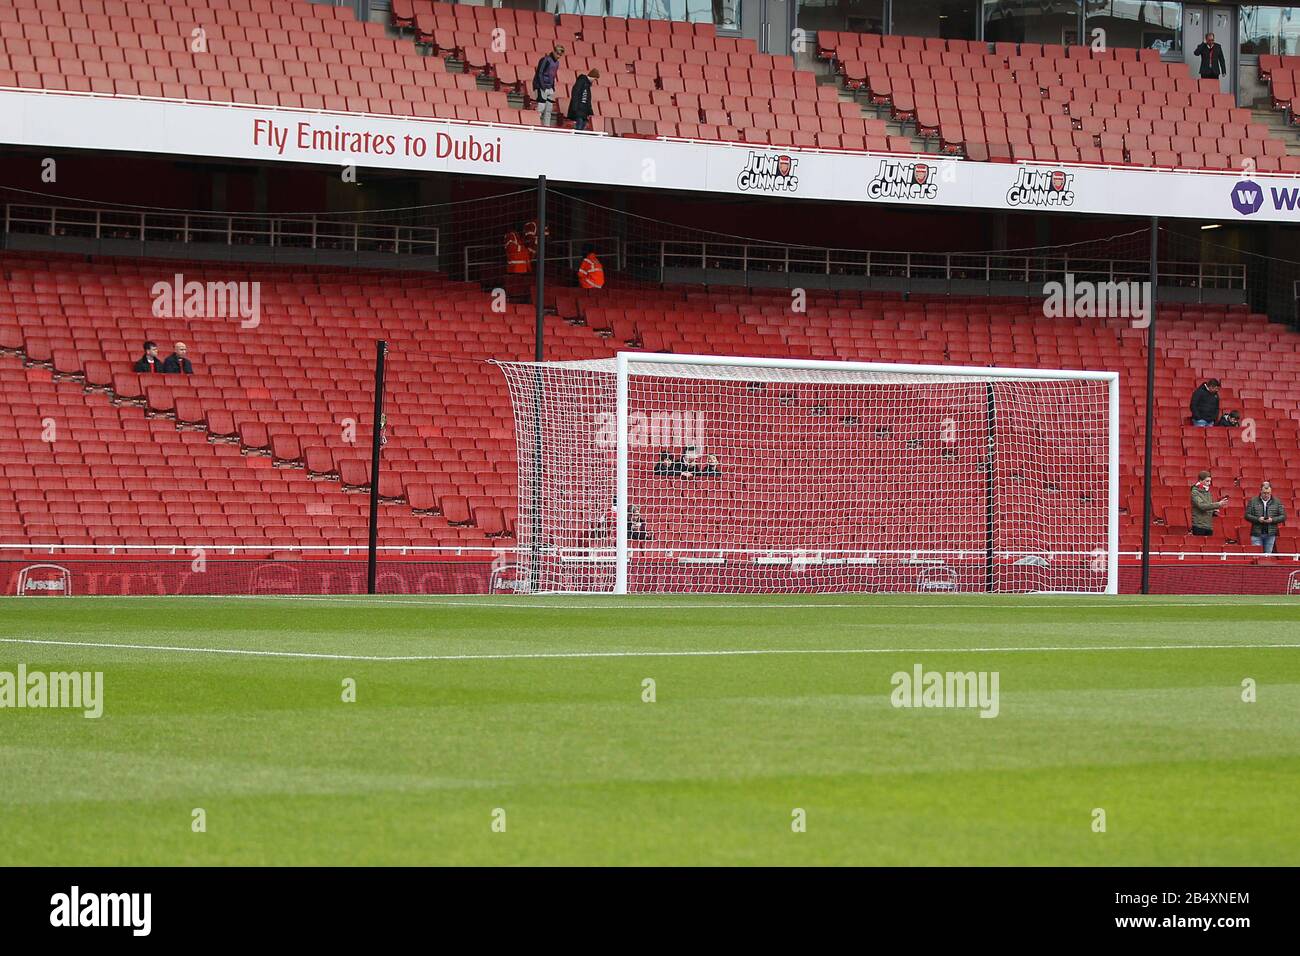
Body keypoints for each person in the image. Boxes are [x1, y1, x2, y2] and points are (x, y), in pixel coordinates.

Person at [1245, 481, 1286, 554]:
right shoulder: (1253, 501)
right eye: (1264, 493)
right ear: (1260, 491)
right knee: (1256, 556)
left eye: (1268, 493)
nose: (1266, 495)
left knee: (1268, 556)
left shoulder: (1277, 501)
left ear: (1271, 492)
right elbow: (1247, 515)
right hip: (1256, 533)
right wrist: (1258, 519)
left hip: (1270, 533)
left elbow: (1283, 516)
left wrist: (1272, 520)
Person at [1190, 470, 1230, 537]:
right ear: (1200, 480)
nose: (1209, 483)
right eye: (1207, 481)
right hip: (1199, 525)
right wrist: (1218, 504)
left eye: (1210, 481)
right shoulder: (1195, 492)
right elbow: (1202, 506)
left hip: (1208, 525)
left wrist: (1214, 510)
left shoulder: (1208, 492)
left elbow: (1208, 506)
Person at [533, 44, 564, 126]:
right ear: (554, 51)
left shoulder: (557, 63)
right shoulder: (545, 60)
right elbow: (539, 74)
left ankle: (547, 127)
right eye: (558, 54)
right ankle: (535, 125)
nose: (559, 56)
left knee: (549, 110)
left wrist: (552, 87)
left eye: (560, 55)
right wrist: (543, 87)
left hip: (550, 87)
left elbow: (553, 75)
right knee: (541, 107)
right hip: (541, 86)